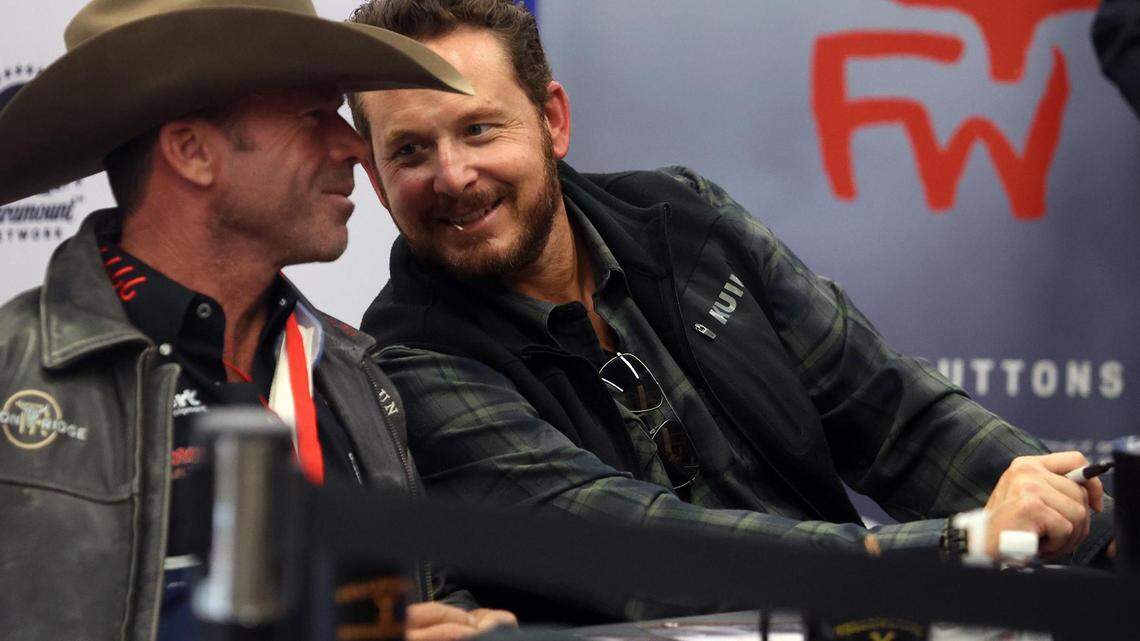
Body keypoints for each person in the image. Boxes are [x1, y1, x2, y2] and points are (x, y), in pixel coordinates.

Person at [347, 0, 1116, 623]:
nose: (453, 175)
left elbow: (894, 414)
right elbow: (645, 552)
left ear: (552, 120)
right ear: (378, 182)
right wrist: (961, 545)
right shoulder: (407, 359)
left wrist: (1094, 518)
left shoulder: (686, 220)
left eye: (479, 128)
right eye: (410, 151)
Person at [0, 0, 516, 639]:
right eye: (313, 116)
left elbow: (421, 593)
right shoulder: (13, 376)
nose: (355, 146)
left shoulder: (355, 374)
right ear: (192, 151)